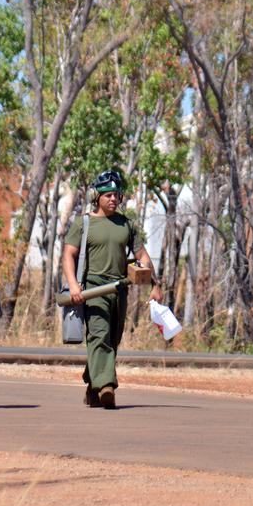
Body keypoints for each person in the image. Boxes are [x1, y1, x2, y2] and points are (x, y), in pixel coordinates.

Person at [62, 170, 163, 409]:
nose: (113, 199)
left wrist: (155, 285)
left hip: (119, 290)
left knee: (112, 339)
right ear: (97, 196)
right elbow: (68, 255)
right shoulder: (83, 223)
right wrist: (74, 285)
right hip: (92, 289)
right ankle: (107, 386)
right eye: (108, 195)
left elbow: (143, 257)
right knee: (99, 335)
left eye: (116, 195)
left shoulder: (126, 225)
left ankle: (92, 386)